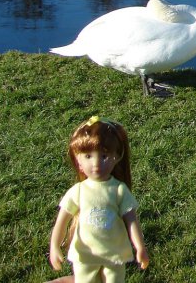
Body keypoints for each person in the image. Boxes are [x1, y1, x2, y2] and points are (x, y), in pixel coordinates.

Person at [49, 116, 149, 283]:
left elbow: (132, 221)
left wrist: (140, 247)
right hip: (85, 255)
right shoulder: (78, 191)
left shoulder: (119, 190)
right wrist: (54, 246)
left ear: (117, 157)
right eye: (88, 156)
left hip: (114, 255)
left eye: (104, 156)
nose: (96, 163)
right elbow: (62, 221)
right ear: (78, 160)